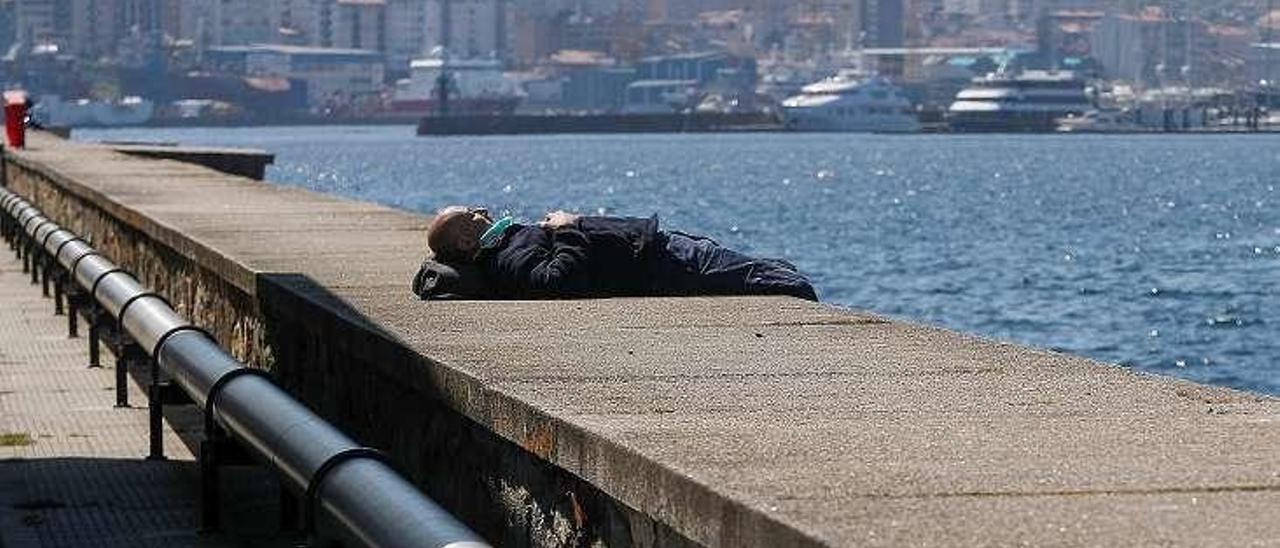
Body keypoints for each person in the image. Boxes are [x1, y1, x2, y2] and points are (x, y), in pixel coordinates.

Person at [414, 206, 817, 301]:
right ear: (468, 242)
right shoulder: (507, 257)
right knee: (790, 284)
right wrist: (568, 228)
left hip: (661, 249)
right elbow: (560, 281)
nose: (483, 212)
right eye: (472, 216)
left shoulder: (510, 244)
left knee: (774, 271)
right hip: (663, 263)